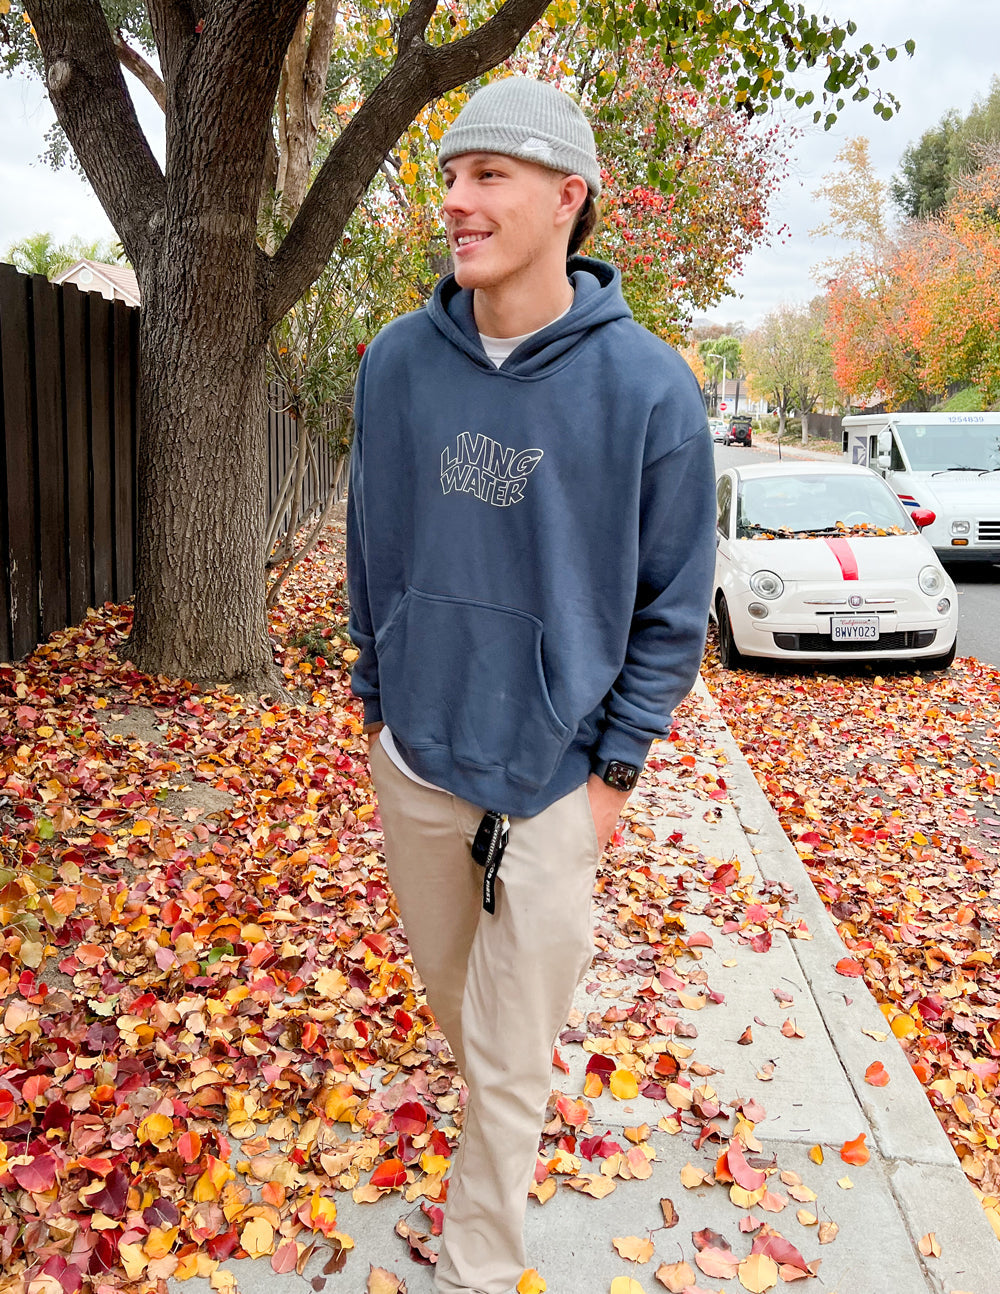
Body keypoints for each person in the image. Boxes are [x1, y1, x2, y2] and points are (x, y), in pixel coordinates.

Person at [346, 76, 715, 1294]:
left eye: (486, 175)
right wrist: (378, 706)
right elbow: (372, 547)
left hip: (557, 779)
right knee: (475, 1025)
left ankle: (473, 1265)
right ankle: (496, 1143)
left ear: (568, 198)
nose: (453, 200)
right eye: (449, 176)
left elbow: (672, 603)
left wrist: (612, 774)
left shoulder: (650, 389)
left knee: (507, 1056)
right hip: (420, 763)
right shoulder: (399, 363)